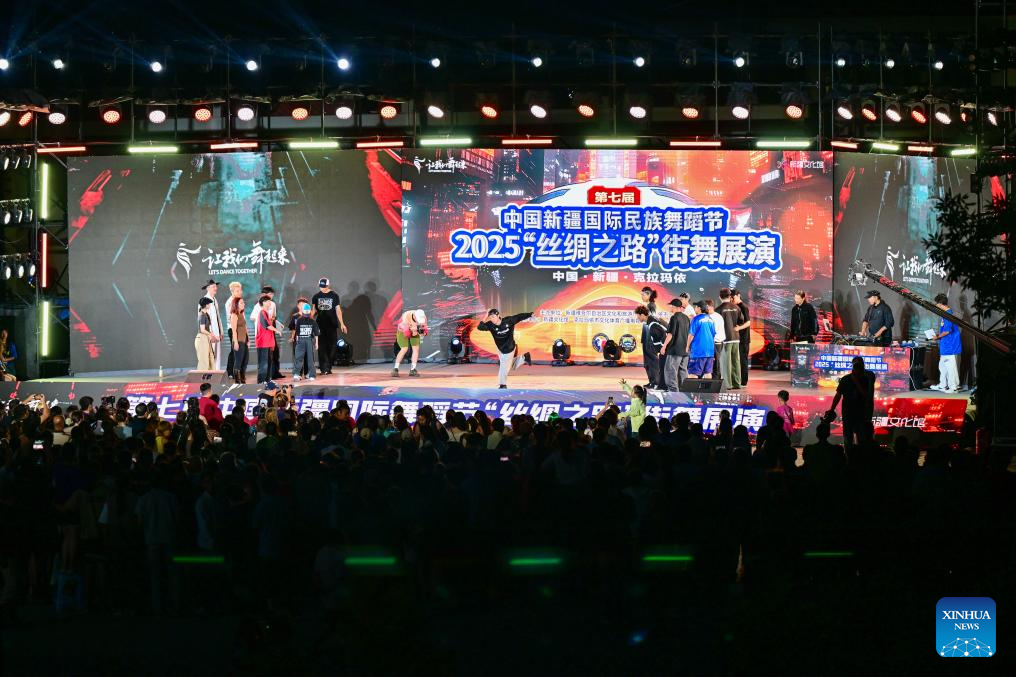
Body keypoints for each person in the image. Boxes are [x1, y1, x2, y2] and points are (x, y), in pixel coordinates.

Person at [826, 356, 876, 453]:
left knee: (861, 436)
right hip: (849, 412)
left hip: (862, 412)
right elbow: (838, 395)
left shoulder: (868, 378)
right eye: (856, 365)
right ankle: (849, 456)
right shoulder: (846, 379)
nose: (858, 367)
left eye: (859, 364)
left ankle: (860, 456)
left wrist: (855, 380)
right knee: (848, 437)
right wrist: (832, 409)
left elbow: (867, 395)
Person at [476, 308, 533, 389]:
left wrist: (530, 314)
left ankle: (502, 384)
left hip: (509, 348)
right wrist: (486, 315)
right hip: (500, 349)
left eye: (493, 317)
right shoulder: (490, 325)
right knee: (510, 366)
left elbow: (519, 316)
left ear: (498, 315)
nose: (492, 319)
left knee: (503, 367)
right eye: (490, 317)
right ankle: (524, 357)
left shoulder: (508, 321)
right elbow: (479, 327)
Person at [311, 278, 346, 376]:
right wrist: (309, 320)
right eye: (321, 286)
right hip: (320, 324)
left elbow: (338, 310)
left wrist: (342, 323)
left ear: (328, 285)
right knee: (322, 346)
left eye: (324, 286)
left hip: (332, 324)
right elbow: (314, 311)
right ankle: (324, 368)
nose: (322, 288)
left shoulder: (334, 295)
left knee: (332, 346)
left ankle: (328, 366)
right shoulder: (316, 296)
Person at [929, 293, 961, 393]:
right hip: (945, 344)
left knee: (950, 366)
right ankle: (943, 385)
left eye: (937, 305)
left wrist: (937, 336)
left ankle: (953, 387)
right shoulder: (945, 314)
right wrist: (938, 336)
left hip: (949, 345)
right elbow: (945, 330)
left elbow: (947, 331)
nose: (937, 307)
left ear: (941, 304)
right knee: (942, 366)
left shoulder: (948, 314)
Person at [634, 305, 667, 390]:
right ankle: (657, 384)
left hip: (665, 348)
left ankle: (658, 384)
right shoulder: (650, 322)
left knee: (657, 365)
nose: (637, 318)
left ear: (642, 315)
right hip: (662, 347)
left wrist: (662, 348)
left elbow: (663, 335)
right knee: (657, 365)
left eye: (638, 316)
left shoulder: (652, 323)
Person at [661, 297, 690, 391]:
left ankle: (673, 392)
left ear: (674, 306)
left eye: (671, 306)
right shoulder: (686, 318)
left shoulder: (674, 317)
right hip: (685, 350)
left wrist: (664, 346)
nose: (670, 308)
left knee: (670, 370)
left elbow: (670, 334)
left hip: (675, 350)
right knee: (683, 371)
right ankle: (685, 391)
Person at [717, 288, 742, 390]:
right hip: (735, 337)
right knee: (736, 361)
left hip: (725, 338)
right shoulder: (737, 307)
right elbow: (741, 321)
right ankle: (737, 383)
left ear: (720, 297)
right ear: (730, 296)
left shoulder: (718, 309)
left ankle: (728, 384)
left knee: (726, 362)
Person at [392, 309, 428, 377]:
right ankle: (395, 369)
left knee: (416, 349)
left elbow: (423, 330)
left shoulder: (423, 317)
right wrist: (414, 329)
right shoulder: (406, 316)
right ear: (414, 316)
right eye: (418, 320)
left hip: (414, 330)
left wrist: (423, 331)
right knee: (404, 349)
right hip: (402, 330)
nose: (419, 321)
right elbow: (406, 332)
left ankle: (413, 370)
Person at [255, 295, 282, 385]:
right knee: (264, 363)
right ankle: (261, 380)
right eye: (268, 301)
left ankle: (267, 379)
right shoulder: (262, 313)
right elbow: (266, 326)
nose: (270, 303)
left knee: (269, 362)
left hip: (268, 342)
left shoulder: (266, 313)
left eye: (270, 301)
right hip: (263, 342)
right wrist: (277, 330)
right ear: (263, 303)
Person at [687, 301, 717, 379]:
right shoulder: (711, 319)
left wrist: (687, 347)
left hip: (698, 351)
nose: (695, 308)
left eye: (696, 307)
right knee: (707, 373)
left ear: (699, 308)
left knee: (693, 373)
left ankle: (693, 388)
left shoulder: (696, 319)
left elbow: (691, 335)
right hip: (710, 351)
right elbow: (713, 334)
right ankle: (707, 388)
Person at [291, 303, 320, 382]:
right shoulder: (299, 320)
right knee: (298, 357)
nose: (306, 314)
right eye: (305, 312)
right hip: (301, 340)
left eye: (308, 312)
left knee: (310, 358)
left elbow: (316, 333)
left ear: (309, 312)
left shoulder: (312, 321)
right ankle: (296, 374)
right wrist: (297, 341)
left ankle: (311, 375)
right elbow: (297, 332)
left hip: (309, 340)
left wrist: (316, 343)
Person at [200, 279, 223, 371]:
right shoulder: (205, 301)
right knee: (211, 356)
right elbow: (205, 319)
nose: (216, 288)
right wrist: (210, 334)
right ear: (208, 288)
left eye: (216, 286)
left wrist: (221, 331)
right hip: (210, 334)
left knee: (217, 355)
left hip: (217, 333)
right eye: (213, 287)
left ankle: (216, 374)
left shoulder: (214, 300)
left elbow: (218, 317)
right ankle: (210, 374)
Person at [287, 296, 310, 379]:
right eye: (300, 304)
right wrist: (292, 337)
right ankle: (298, 373)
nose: (302, 306)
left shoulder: (309, 316)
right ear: (298, 306)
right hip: (297, 340)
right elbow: (293, 328)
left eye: (304, 304)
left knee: (307, 356)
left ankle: (307, 373)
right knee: (298, 357)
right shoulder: (295, 316)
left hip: (307, 339)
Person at [224, 281, 244, 377]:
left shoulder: (239, 301)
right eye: (237, 291)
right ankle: (230, 371)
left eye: (240, 290)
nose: (240, 292)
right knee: (234, 350)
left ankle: (238, 370)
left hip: (240, 329)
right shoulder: (230, 302)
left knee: (239, 350)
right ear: (232, 291)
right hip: (233, 329)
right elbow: (231, 319)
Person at [732, 289, 751, 385]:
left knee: (743, 359)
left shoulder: (743, 307)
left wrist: (738, 328)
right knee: (738, 360)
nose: (732, 299)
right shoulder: (735, 307)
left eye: (733, 297)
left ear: (738, 295)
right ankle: (738, 379)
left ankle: (744, 381)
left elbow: (748, 322)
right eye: (731, 298)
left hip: (744, 338)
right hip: (738, 338)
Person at [229, 296, 249, 384]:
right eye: (241, 303)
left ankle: (243, 379)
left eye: (243, 302)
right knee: (238, 361)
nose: (243, 304)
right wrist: (236, 342)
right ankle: (237, 381)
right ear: (236, 304)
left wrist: (248, 339)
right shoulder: (234, 315)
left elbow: (245, 328)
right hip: (238, 341)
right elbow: (233, 330)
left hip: (244, 341)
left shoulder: (241, 314)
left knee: (245, 361)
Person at [704, 299, 725, 381]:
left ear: (710, 306)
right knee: (711, 363)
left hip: (716, 342)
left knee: (716, 363)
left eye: (706, 306)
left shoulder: (716, 317)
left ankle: (716, 381)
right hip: (712, 342)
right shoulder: (709, 316)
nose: (704, 308)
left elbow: (714, 331)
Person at [195, 298, 216, 370]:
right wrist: (211, 334)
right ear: (206, 305)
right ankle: (203, 375)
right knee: (204, 360)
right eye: (209, 304)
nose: (209, 305)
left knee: (210, 357)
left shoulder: (205, 314)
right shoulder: (202, 315)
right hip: (202, 338)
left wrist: (210, 335)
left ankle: (209, 374)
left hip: (205, 338)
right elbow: (202, 330)